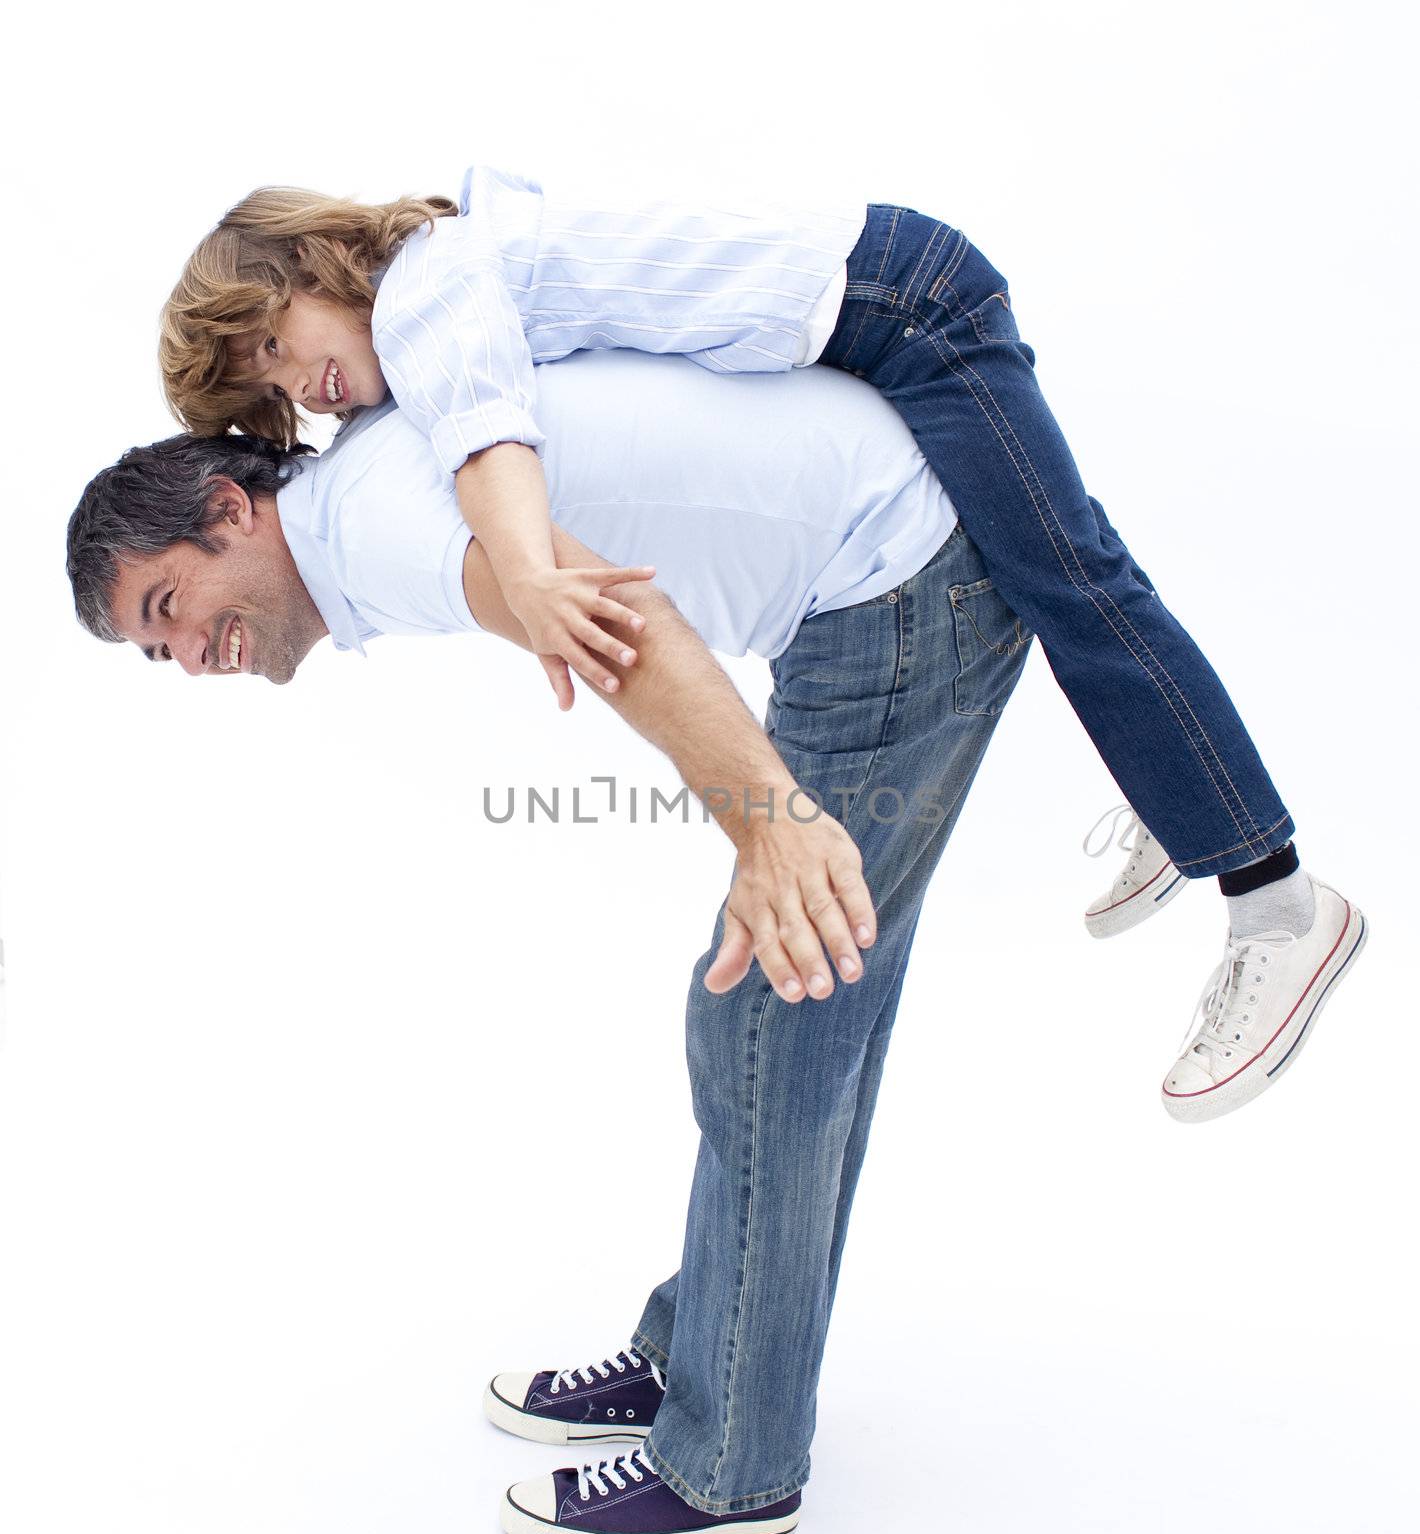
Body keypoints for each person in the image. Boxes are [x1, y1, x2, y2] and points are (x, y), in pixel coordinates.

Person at [67, 351, 1366, 1534]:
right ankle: (706, 1359)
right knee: (788, 1016)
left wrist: (772, 831)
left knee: (769, 1015)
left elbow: (627, 642)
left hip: (896, 581)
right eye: (156, 650)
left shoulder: (371, 530)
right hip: (882, 574)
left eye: (169, 607)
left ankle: (731, 1460)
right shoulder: (356, 510)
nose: (186, 656)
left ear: (234, 509)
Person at [156, 168, 1366, 1108]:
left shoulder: (424, 284)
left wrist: (529, 581)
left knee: (1074, 578)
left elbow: (489, 435)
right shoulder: (436, 296)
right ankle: (1177, 789)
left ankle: (1277, 902)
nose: (295, 390)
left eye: (269, 342)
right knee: (1057, 574)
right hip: (881, 311)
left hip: (909, 299)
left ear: (311, 261)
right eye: (260, 390)